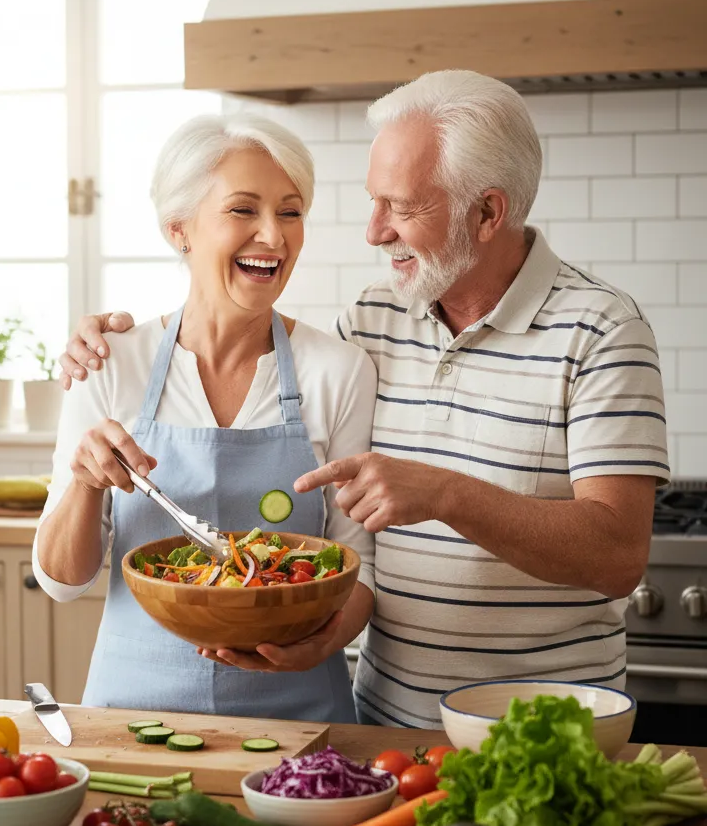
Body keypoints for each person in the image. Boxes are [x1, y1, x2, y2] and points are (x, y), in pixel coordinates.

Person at [58, 70, 668, 729]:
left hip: (545, 728)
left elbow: (616, 557)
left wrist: (446, 495)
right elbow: (349, 535)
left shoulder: (604, 332)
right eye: (372, 202)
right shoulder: (375, 322)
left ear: (488, 213)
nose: (374, 232)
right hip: (386, 729)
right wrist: (113, 343)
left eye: (401, 208)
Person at [33, 113, 377, 723]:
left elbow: (359, 565)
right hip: (133, 716)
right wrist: (86, 484)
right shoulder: (111, 364)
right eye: (243, 210)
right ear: (179, 230)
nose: (272, 236)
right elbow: (62, 582)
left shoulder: (339, 371)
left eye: (290, 212)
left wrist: (318, 645)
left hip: (295, 715)